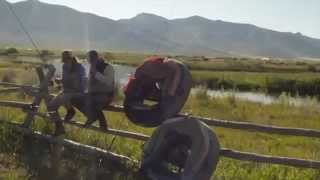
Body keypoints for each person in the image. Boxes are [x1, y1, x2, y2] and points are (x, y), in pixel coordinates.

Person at [123, 56, 192, 126]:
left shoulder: (144, 70)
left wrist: (171, 90)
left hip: (143, 112)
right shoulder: (151, 70)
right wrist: (171, 91)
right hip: (148, 113)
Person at [47, 50, 86, 135]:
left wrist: (66, 85)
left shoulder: (79, 67)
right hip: (67, 92)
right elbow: (65, 80)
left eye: (67, 58)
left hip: (77, 92)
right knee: (50, 106)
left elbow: (81, 83)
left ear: (71, 58)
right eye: (64, 59)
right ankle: (59, 127)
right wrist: (60, 80)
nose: (65, 61)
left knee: (63, 98)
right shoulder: (64, 66)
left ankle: (71, 111)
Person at [81, 50, 115, 130]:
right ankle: (93, 118)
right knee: (79, 98)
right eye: (89, 60)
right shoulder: (93, 67)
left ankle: (101, 123)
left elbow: (108, 82)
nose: (90, 62)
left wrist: (95, 73)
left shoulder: (108, 67)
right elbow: (90, 83)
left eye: (91, 59)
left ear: (97, 58)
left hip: (107, 94)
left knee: (93, 102)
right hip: (94, 94)